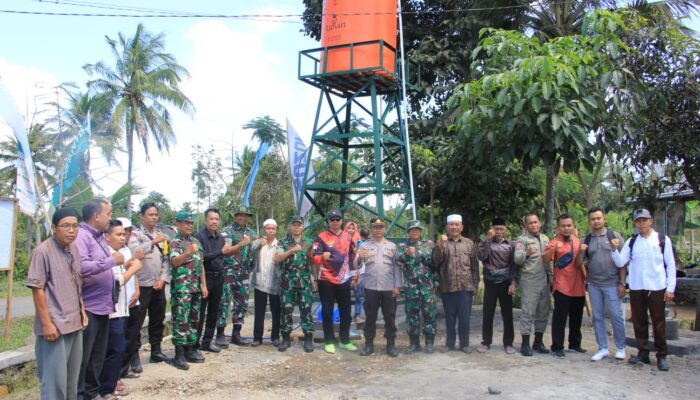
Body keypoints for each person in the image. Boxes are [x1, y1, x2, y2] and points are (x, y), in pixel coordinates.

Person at [27, 207, 88, 400]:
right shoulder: (43, 251)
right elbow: (38, 289)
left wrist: (82, 311)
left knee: (71, 383)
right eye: (66, 226)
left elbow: (76, 283)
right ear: (54, 228)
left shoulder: (74, 249)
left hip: (75, 324)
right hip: (55, 328)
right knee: (54, 386)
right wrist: (46, 323)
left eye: (75, 226)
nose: (71, 230)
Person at [612, 208, 676, 371]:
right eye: (638, 221)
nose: (641, 224)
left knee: (659, 323)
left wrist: (670, 288)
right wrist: (614, 250)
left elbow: (670, 265)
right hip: (637, 286)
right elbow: (621, 262)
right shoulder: (632, 242)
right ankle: (643, 352)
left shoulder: (662, 240)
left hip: (656, 287)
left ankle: (661, 355)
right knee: (639, 321)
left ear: (650, 221)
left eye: (644, 220)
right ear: (635, 224)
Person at [76, 198, 122, 400]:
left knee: (97, 355)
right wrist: (112, 261)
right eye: (108, 213)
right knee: (84, 357)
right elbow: (82, 267)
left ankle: (92, 393)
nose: (109, 218)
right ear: (96, 216)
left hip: (103, 305)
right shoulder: (82, 237)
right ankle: (80, 395)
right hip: (89, 306)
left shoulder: (99, 237)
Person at [126, 203, 171, 369]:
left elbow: (166, 259)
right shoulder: (136, 235)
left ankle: (156, 350)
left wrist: (164, 278)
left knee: (158, 319)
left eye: (156, 214)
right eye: (150, 214)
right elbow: (134, 253)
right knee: (136, 321)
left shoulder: (162, 235)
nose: (154, 217)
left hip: (158, 284)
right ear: (142, 216)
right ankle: (134, 356)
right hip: (142, 285)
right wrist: (153, 242)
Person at [100, 219, 142, 398]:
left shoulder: (120, 253)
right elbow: (116, 281)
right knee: (114, 350)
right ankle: (106, 388)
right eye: (118, 234)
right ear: (107, 236)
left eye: (124, 234)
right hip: (112, 312)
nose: (123, 238)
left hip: (123, 309)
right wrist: (134, 268)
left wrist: (128, 267)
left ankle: (111, 385)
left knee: (119, 348)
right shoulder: (106, 255)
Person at [578, 207, 627, 362]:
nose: (596, 221)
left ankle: (620, 347)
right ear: (589, 221)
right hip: (594, 284)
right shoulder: (587, 239)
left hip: (613, 283)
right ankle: (603, 348)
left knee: (615, 315)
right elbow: (579, 263)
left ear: (603, 219)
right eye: (593, 219)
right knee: (597, 317)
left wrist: (622, 283)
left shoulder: (614, 236)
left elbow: (623, 263)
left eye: (598, 218)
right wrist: (580, 252)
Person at [312, 209, 359, 354]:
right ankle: (329, 341)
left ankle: (345, 340)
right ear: (328, 221)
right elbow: (314, 257)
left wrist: (355, 274)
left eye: (337, 219)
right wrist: (322, 258)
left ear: (341, 221)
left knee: (346, 311)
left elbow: (352, 258)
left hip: (344, 280)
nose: (334, 222)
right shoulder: (321, 237)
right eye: (331, 219)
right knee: (327, 311)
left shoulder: (348, 237)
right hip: (326, 279)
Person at [432, 214, 479, 353]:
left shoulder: (469, 243)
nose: (454, 227)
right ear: (447, 227)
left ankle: (465, 344)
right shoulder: (441, 243)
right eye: (451, 224)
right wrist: (439, 247)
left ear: (461, 227)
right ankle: (449, 344)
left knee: (464, 317)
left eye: (457, 224)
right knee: (450, 317)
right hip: (447, 286)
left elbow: (474, 266)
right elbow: (435, 262)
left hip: (466, 287)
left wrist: (475, 284)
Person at [354, 218, 402, 357]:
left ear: (384, 229)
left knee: (390, 317)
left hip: (388, 287)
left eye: (380, 227)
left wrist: (397, 286)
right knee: (370, 317)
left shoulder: (392, 246)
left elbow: (397, 268)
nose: (378, 229)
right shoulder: (365, 245)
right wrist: (359, 257)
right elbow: (355, 265)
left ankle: (391, 345)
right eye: (375, 227)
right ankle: (369, 345)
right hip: (370, 287)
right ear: (371, 229)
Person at [168, 211, 208, 370]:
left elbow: (201, 265)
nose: (189, 226)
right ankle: (179, 354)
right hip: (182, 289)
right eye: (186, 223)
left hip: (195, 287)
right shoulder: (174, 242)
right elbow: (175, 262)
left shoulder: (196, 241)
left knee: (194, 319)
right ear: (178, 224)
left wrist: (203, 285)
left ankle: (191, 349)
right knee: (181, 320)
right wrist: (188, 252)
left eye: (191, 223)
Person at [543, 214, 586, 359]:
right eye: (563, 226)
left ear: (573, 227)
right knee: (560, 318)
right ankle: (557, 346)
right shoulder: (554, 242)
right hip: (562, 285)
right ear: (558, 228)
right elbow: (545, 259)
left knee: (576, 317)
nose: (566, 228)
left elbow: (580, 263)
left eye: (569, 225)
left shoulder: (578, 241)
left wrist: (586, 277)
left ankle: (575, 344)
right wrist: (554, 249)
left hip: (578, 285)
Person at [194, 208, 234, 353]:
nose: (214, 221)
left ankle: (207, 341)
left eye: (217, 219)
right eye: (211, 219)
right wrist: (221, 252)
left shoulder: (221, 238)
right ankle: (195, 344)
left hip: (219, 277)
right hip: (205, 277)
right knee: (201, 312)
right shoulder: (198, 237)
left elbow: (222, 257)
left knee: (213, 311)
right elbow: (202, 257)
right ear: (206, 220)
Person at [217, 205, 257, 347]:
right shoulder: (227, 231)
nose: (243, 218)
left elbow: (254, 251)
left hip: (244, 273)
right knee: (224, 302)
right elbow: (225, 251)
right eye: (240, 215)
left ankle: (236, 334)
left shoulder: (251, 232)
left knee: (241, 303)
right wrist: (242, 243)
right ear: (236, 216)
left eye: (245, 216)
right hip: (228, 271)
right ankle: (220, 334)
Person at [513, 213, 552, 356]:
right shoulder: (522, 240)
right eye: (530, 223)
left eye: (536, 222)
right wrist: (527, 253)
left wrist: (552, 279)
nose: (534, 225)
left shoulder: (545, 239)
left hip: (545, 281)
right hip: (530, 282)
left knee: (543, 312)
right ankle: (525, 344)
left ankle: (538, 342)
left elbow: (550, 260)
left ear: (540, 223)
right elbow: (517, 259)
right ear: (525, 226)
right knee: (528, 312)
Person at [476, 217, 517, 354]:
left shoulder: (511, 245)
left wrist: (513, 282)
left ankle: (508, 343)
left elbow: (513, 265)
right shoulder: (486, 241)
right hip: (490, 281)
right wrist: (488, 239)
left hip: (505, 282)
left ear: (505, 229)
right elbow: (481, 256)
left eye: (501, 229)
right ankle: (486, 342)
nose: (499, 231)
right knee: (488, 313)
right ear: (492, 229)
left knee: (507, 314)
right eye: (496, 229)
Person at [276, 215, 316, 353]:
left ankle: (308, 338)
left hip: (304, 281)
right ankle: (286, 338)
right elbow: (278, 258)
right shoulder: (283, 242)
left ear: (303, 226)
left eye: (299, 224)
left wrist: (315, 279)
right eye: (294, 224)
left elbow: (313, 261)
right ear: (289, 226)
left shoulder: (309, 242)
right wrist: (291, 251)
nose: (297, 226)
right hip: (288, 281)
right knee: (286, 309)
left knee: (306, 309)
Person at [396, 220, 437, 354]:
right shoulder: (402, 246)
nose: (415, 232)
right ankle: (414, 344)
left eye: (417, 229)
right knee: (412, 316)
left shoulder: (429, 244)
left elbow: (436, 263)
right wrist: (406, 254)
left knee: (429, 314)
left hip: (427, 287)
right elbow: (397, 261)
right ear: (408, 232)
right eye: (412, 229)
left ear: (421, 231)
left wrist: (435, 283)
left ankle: (429, 343)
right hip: (411, 288)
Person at [250, 219, 282, 347]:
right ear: (264, 229)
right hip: (259, 282)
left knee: (276, 311)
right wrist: (259, 245)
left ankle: (275, 336)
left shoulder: (279, 244)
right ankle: (257, 338)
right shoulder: (258, 242)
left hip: (274, 283)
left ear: (276, 230)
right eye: (268, 228)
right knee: (259, 311)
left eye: (273, 228)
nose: (270, 230)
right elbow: (250, 254)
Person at [354, 228, 369, 323]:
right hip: (362, 273)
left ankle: (358, 315)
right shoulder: (367, 243)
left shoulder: (358, 243)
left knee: (359, 297)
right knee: (363, 296)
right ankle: (360, 315)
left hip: (361, 272)